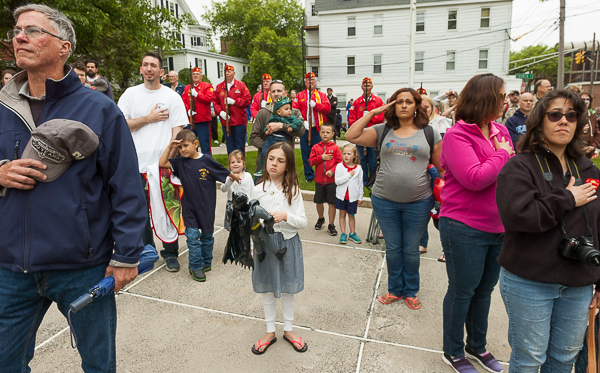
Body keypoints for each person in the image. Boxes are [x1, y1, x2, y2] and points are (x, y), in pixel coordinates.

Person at [0, 4, 146, 371]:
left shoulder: (98, 108)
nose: (19, 36)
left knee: (99, 364)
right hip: (11, 268)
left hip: (83, 266)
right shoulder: (1, 106)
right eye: (17, 30)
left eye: (33, 30)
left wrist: (127, 255)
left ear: (63, 47)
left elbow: (126, 186)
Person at [496, 89, 600, 373]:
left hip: (578, 284)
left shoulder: (588, 169)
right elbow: (517, 216)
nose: (563, 121)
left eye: (571, 115)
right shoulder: (520, 166)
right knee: (529, 360)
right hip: (530, 281)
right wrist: (567, 198)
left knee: (564, 359)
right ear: (540, 121)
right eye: (555, 114)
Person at [438, 73, 512, 373]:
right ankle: (453, 351)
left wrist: (502, 155)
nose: (506, 101)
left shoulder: (500, 131)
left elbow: (507, 173)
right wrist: (502, 155)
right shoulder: (458, 135)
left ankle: (477, 346)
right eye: (501, 95)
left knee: (484, 291)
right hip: (463, 226)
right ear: (486, 98)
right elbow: (475, 178)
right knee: (462, 290)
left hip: (498, 226)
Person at [345, 88, 442, 311]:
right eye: (399, 102)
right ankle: (394, 289)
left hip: (419, 201)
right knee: (393, 247)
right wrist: (372, 113)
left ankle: (411, 291)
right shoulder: (383, 130)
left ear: (417, 106)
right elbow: (351, 136)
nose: (404, 105)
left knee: (410, 248)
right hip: (384, 200)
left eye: (409, 101)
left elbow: (440, 167)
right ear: (393, 106)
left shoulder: (429, 132)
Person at [118, 52, 188, 272]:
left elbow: (178, 130)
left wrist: (170, 158)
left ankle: (170, 253)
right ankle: (147, 253)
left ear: (161, 72)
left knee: (168, 209)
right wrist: (148, 119)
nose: (149, 69)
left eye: (153, 66)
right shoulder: (130, 95)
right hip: (135, 165)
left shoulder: (172, 97)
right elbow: (120, 125)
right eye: (145, 65)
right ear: (141, 70)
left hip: (162, 166)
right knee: (139, 212)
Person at [250, 142, 308, 355]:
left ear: (288, 165)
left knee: (289, 287)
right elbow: (251, 221)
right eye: (271, 158)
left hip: (288, 244)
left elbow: (303, 222)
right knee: (266, 286)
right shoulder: (257, 190)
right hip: (265, 246)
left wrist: (286, 216)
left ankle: (289, 329)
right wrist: (251, 244)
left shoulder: (293, 190)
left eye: (280, 160)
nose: (274, 163)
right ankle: (270, 330)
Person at [159, 130, 238, 281]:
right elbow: (162, 163)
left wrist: (234, 177)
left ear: (195, 144)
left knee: (207, 236)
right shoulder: (180, 162)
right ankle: (195, 266)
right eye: (180, 147)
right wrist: (170, 147)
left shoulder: (207, 160)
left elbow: (224, 172)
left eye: (185, 146)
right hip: (189, 208)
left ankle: (206, 261)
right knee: (193, 237)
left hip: (206, 207)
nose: (183, 150)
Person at [249, 80, 305, 181]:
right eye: (273, 91)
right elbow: (253, 137)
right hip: (265, 163)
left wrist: (281, 126)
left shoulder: (293, 112)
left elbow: (301, 131)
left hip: (286, 163)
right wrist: (270, 149)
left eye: (279, 91)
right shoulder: (262, 113)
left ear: (285, 93)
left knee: (286, 195)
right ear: (270, 93)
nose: (276, 94)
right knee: (261, 195)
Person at [293, 72, 331, 182]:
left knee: (320, 152)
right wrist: (301, 122)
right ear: (305, 82)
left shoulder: (322, 95)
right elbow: (294, 111)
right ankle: (309, 176)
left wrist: (316, 105)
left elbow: (327, 109)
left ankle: (321, 174)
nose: (311, 82)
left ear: (316, 81)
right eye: (308, 80)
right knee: (306, 152)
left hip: (318, 129)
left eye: (313, 80)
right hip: (305, 128)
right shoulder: (300, 96)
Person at [349, 77, 385, 185]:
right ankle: (363, 180)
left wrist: (370, 117)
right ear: (361, 87)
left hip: (373, 134)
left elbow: (382, 116)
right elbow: (351, 118)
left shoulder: (378, 101)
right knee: (361, 158)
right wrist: (359, 124)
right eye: (364, 86)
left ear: (372, 87)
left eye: (368, 86)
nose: (366, 88)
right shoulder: (356, 102)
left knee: (373, 159)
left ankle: (373, 180)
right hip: (360, 135)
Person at [309, 121, 342, 236]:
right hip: (319, 181)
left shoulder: (335, 148)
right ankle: (321, 218)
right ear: (319, 133)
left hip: (331, 181)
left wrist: (332, 171)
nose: (325, 134)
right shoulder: (315, 147)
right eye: (323, 132)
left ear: (332, 133)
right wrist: (321, 157)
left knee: (331, 204)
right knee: (319, 202)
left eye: (328, 132)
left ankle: (331, 224)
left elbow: (340, 162)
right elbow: (311, 162)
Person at [214, 65, 251, 154]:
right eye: (226, 72)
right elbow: (215, 101)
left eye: (229, 72)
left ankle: (241, 166)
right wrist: (220, 112)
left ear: (234, 73)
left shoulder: (241, 85)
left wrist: (235, 102)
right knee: (230, 146)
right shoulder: (219, 87)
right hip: (226, 122)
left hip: (239, 121)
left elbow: (247, 100)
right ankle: (232, 166)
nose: (227, 73)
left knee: (240, 146)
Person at [182, 66, 216, 155]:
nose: (195, 76)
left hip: (203, 120)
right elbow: (183, 101)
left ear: (201, 76)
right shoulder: (187, 88)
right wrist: (188, 110)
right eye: (193, 74)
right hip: (191, 120)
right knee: (191, 144)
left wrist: (197, 94)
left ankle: (207, 163)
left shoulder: (207, 86)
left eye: (197, 74)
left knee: (205, 144)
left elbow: (209, 99)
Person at [335, 143, 363, 244]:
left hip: (353, 198)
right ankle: (343, 233)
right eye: (344, 153)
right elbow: (337, 181)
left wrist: (360, 196)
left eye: (349, 154)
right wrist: (348, 175)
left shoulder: (358, 169)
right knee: (342, 214)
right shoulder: (339, 166)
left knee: (351, 215)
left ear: (354, 155)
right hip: (341, 197)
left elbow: (360, 184)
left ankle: (352, 233)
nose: (346, 156)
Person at [261, 96, 303, 160]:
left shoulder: (291, 118)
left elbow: (298, 123)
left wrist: (291, 127)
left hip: (283, 139)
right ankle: (262, 166)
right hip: (271, 138)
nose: (289, 111)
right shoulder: (274, 118)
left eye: (290, 109)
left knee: (283, 155)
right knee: (265, 152)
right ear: (279, 112)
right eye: (286, 109)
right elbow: (268, 125)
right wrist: (267, 130)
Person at [581, 91, 600, 159]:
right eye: (583, 99)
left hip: (589, 151)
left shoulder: (592, 116)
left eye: (587, 99)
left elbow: (597, 133)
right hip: (577, 150)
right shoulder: (574, 115)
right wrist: (580, 129)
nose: (586, 101)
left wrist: (593, 146)